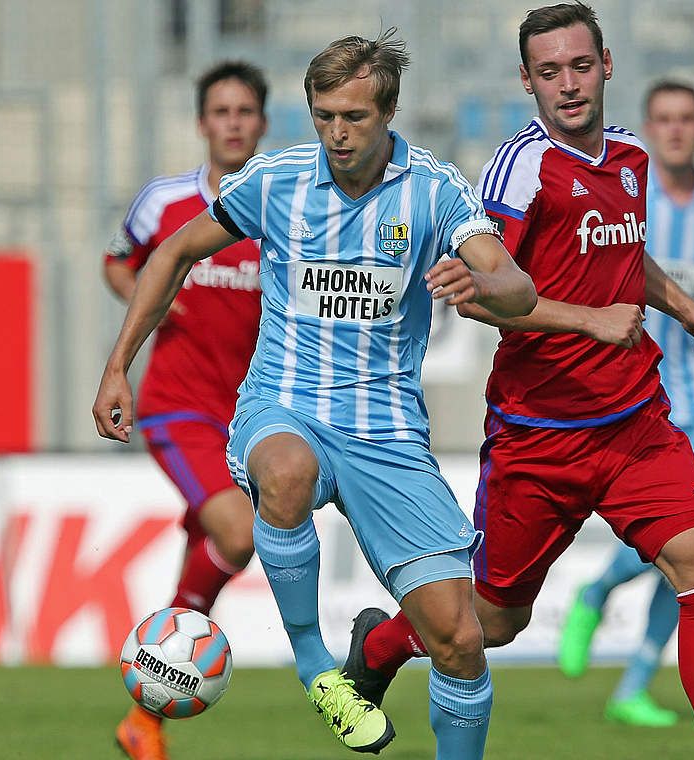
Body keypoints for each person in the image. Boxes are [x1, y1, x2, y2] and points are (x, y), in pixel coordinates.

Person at [92, 31, 536, 760]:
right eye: (323, 114)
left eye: (353, 117)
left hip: (387, 434)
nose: (335, 132)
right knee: (286, 472)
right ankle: (315, 665)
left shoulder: (433, 189)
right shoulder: (277, 179)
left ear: (388, 112)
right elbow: (172, 251)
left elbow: (516, 286)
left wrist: (484, 283)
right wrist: (118, 368)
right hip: (284, 406)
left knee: (460, 636)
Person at [343, 5, 694, 759]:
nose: (567, 85)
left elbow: (626, 257)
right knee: (493, 624)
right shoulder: (520, 167)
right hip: (541, 437)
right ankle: (379, 647)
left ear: (607, 64)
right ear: (526, 82)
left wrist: (688, 308)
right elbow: (493, 295)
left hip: (635, 421)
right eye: (548, 72)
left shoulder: (631, 157)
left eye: (579, 66)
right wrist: (589, 320)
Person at [556, 78, 694, 728]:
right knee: (671, 544)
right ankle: (598, 590)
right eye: (664, 119)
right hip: (630, 402)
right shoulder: (622, 199)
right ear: (648, 126)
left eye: (687, 119)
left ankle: (634, 682)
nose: (675, 130)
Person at [104, 60, 268, 760]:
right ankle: (156, 688)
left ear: (262, 122)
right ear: (203, 124)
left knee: (219, 540)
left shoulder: (284, 203)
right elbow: (118, 262)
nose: (232, 123)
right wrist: (152, 300)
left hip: (254, 417)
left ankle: (144, 717)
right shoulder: (165, 203)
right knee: (236, 535)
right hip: (178, 408)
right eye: (220, 112)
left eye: (244, 112)